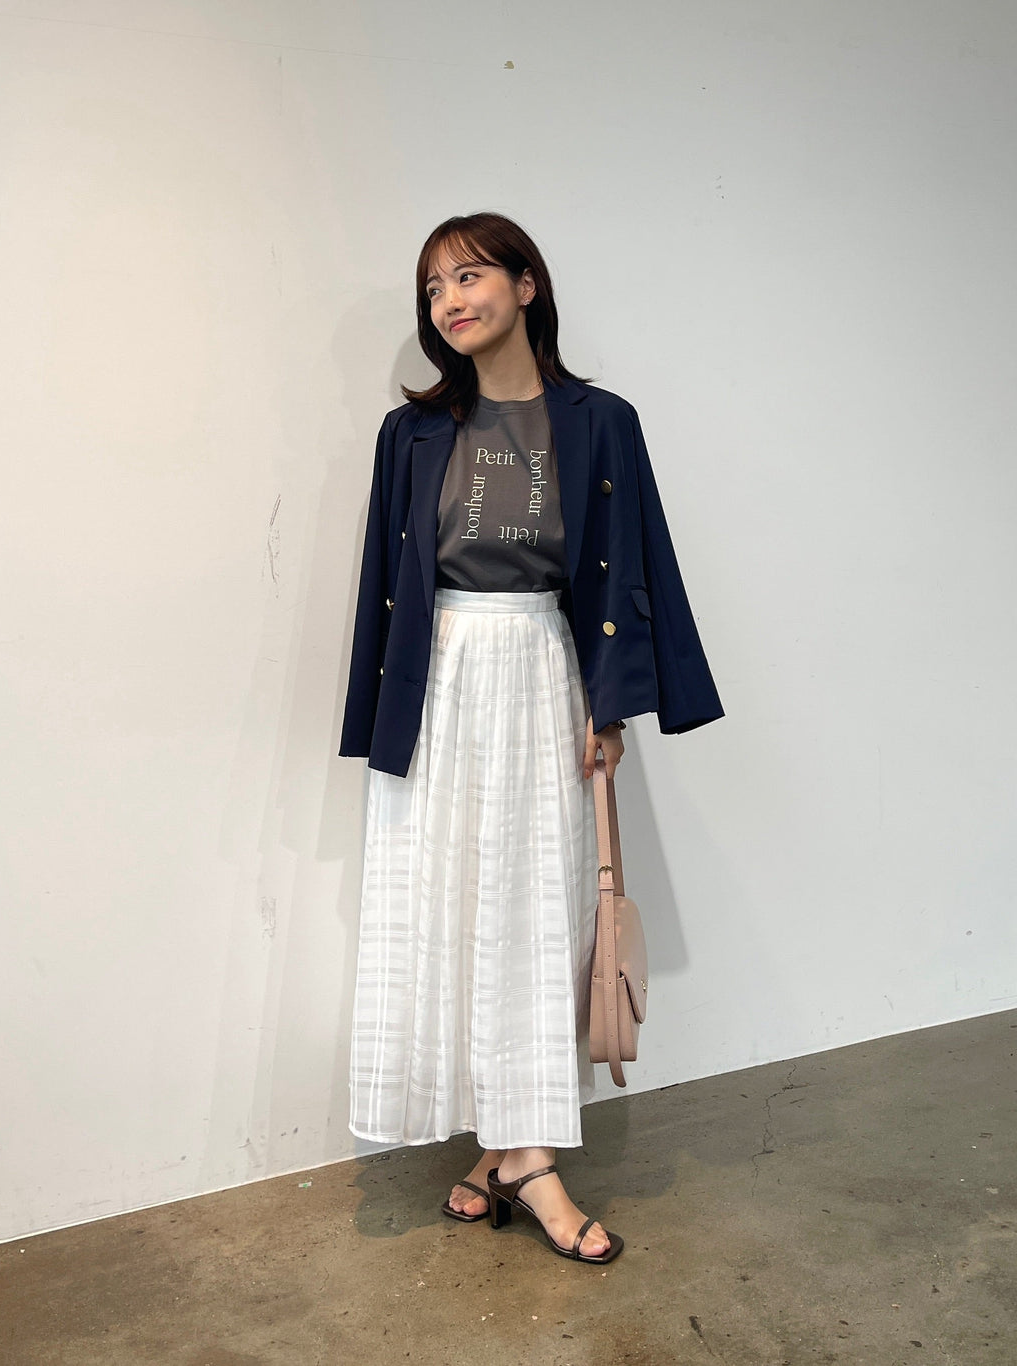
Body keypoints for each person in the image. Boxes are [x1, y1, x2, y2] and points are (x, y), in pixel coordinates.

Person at [339, 212, 723, 1265]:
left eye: (468, 276)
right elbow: (384, 584)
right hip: (437, 680)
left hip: (541, 671)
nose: (449, 302)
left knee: (533, 911)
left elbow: (631, 563)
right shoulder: (410, 433)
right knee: (449, 907)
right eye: (432, 289)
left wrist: (611, 705)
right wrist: (378, 714)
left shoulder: (601, 422)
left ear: (524, 284)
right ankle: (511, 1149)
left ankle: (525, 1153)